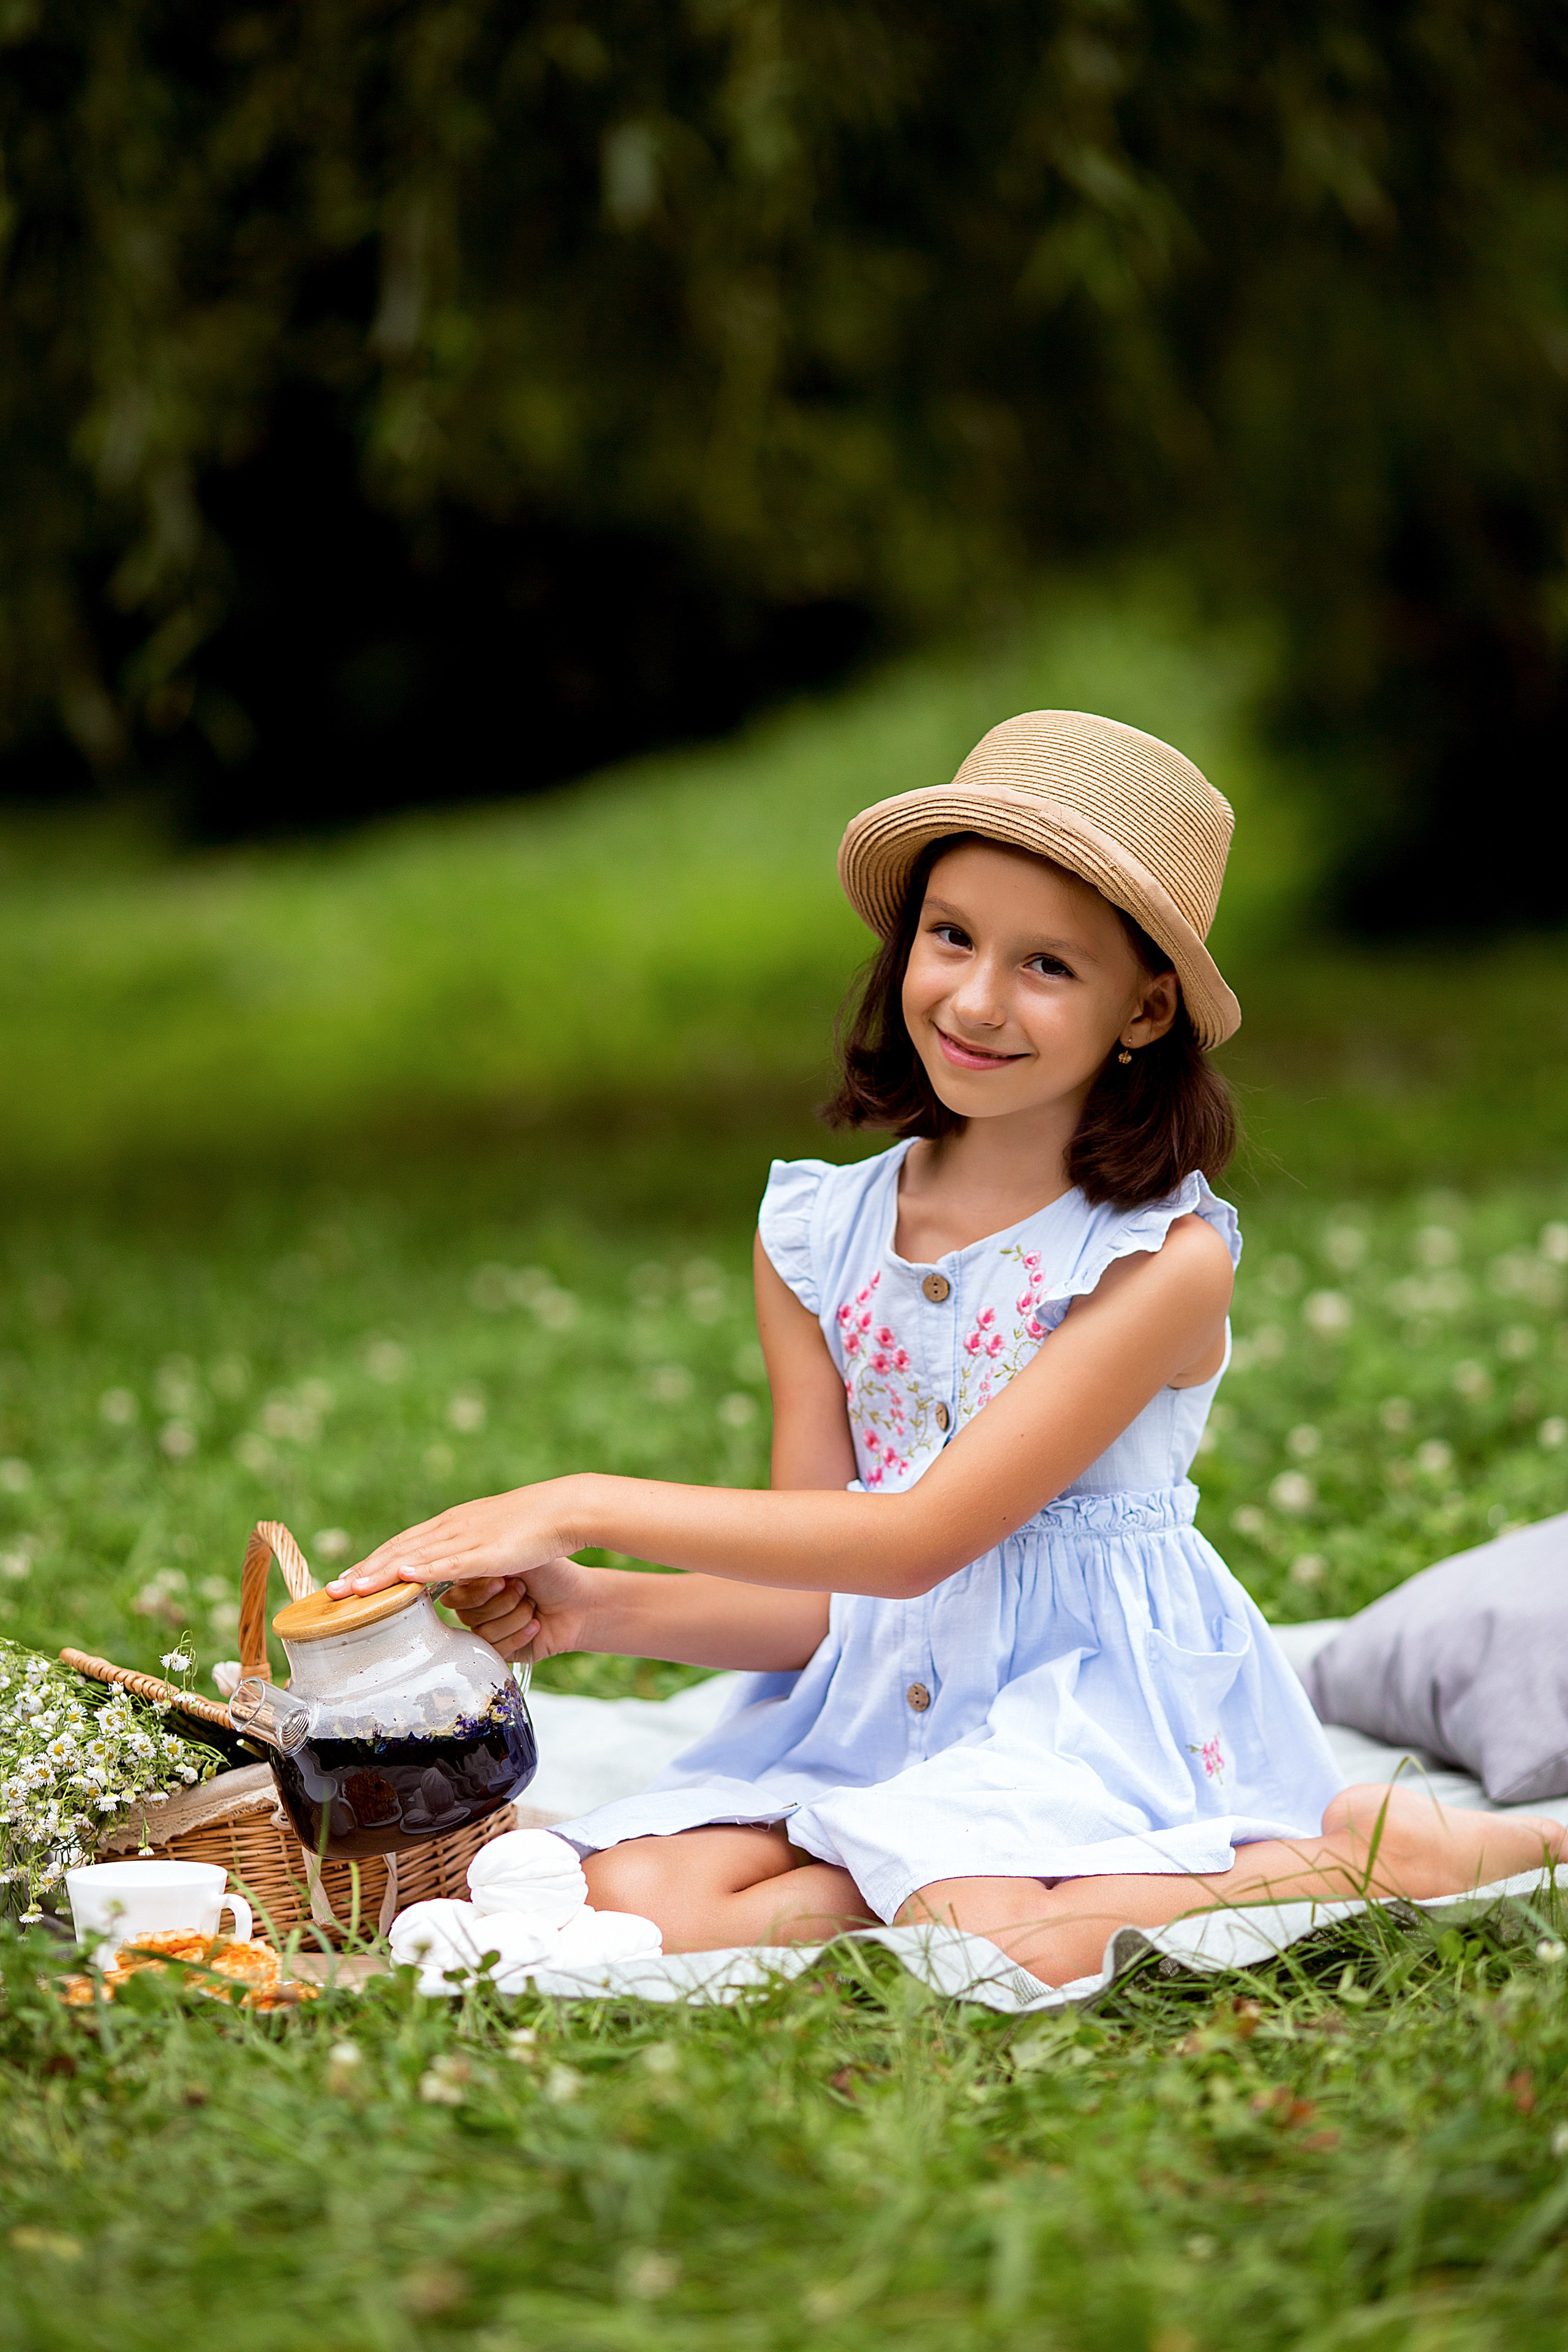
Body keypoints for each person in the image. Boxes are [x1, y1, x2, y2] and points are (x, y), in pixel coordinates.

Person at [331, 710, 1564, 1986]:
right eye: (951, 936)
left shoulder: (1157, 1261)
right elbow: (815, 1597)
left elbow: (919, 1540)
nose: (975, 1000)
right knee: (633, 1895)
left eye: (1048, 966)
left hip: (1091, 1709)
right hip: (880, 1712)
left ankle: (1366, 1852)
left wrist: (579, 1502)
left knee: (982, 1934)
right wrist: (590, 1609)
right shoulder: (817, 1236)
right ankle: (899, 1866)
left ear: (1145, 1009)